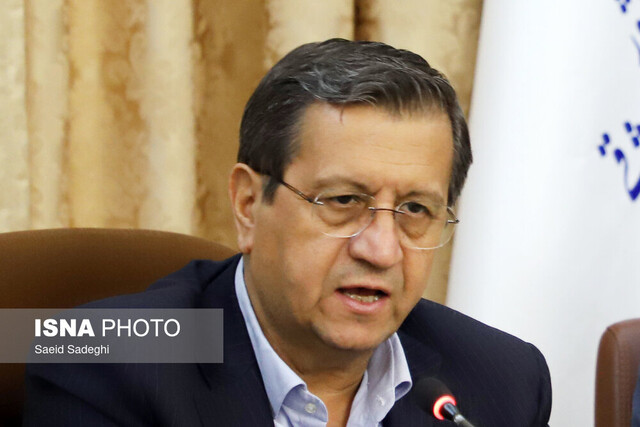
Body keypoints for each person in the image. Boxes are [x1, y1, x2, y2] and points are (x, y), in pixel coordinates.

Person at [24, 38, 551, 426]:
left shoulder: (503, 381)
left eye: (415, 209)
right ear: (249, 205)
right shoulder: (101, 360)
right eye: (343, 201)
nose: (382, 250)